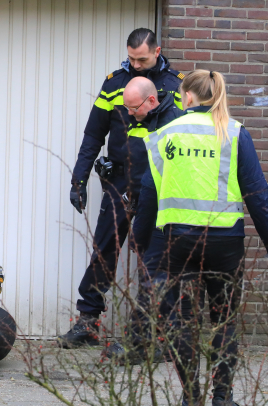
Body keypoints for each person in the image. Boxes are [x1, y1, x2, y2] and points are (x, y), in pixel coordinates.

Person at [132, 70, 268, 406]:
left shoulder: (164, 134)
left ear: (187, 97)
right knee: (224, 321)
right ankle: (222, 396)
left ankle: (191, 395)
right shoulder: (234, 132)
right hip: (225, 244)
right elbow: (257, 193)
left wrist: (140, 240)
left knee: (183, 321)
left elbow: (148, 195)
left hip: (178, 243)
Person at [62, 28, 184, 348]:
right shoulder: (115, 82)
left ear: (157, 52)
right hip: (118, 184)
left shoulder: (175, 87)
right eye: (131, 58)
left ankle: (150, 332)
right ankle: (87, 321)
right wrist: (79, 179)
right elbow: (93, 135)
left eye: (142, 59)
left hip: (157, 189)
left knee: (154, 259)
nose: (136, 64)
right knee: (104, 250)